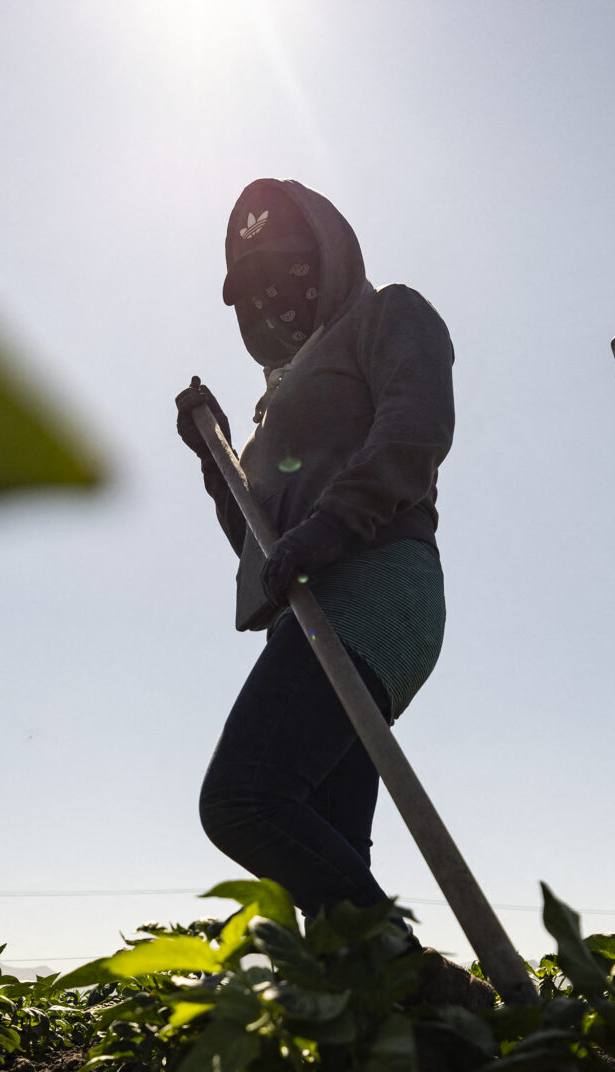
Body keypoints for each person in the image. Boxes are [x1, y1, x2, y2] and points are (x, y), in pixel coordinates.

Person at [175, 178, 463, 951]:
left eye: (289, 265)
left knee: (244, 798)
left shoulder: (387, 314)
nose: (277, 291)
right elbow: (261, 541)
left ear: (327, 251)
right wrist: (218, 458)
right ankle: (381, 1031)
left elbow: (414, 429)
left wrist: (331, 527)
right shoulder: (278, 399)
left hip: (371, 582)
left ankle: (415, 976)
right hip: (309, 601)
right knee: (325, 849)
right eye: (256, 282)